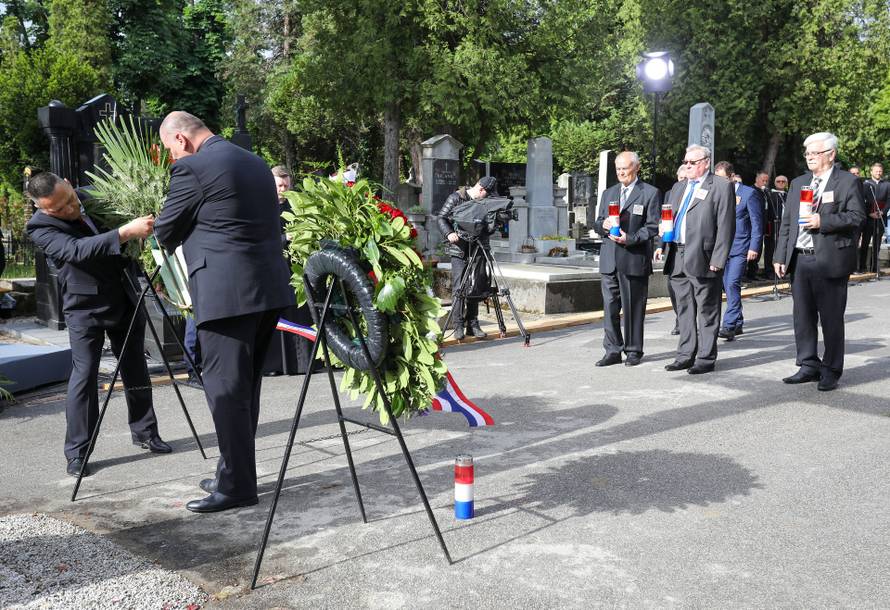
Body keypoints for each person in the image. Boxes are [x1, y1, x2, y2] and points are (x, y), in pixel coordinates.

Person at [154, 111, 295, 513]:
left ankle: (236, 487)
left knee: (226, 392)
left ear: (180, 139)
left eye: (169, 150)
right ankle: (231, 473)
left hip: (226, 295)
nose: (172, 158)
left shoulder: (193, 168)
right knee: (245, 388)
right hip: (267, 289)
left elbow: (166, 231)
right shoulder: (253, 161)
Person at [26, 172, 172, 477]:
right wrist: (126, 232)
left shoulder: (95, 196)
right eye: (60, 209)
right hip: (84, 308)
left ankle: (146, 432)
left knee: (136, 367)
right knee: (84, 376)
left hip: (124, 296)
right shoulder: (39, 227)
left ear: (68, 182)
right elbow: (76, 251)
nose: (70, 208)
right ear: (44, 209)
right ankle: (78, 451)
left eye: (70, 198)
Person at [774, 132, 865, 391]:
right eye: (807, 154)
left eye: (815, 153)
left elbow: (857, 217)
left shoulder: (847, 181)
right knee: (802, 316)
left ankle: (831, 369)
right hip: (800, 259)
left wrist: (823, 222)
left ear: (831, 154)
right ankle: (808, 365)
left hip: (830, 259)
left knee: (831, 318)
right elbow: (788, 221)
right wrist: (780, 255)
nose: (810, 158)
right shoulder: (799, 182)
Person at [660, 145, 735, 375]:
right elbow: (669, 218)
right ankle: (685, 354)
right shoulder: (678, 187)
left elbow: (726, 225)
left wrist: (719, 258)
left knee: (707, 309)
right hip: (678, 253)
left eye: (692, 162)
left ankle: (705, 357)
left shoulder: (721, 186)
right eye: (685, 162)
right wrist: (663, 245)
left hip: (704, 255)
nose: (687, 166)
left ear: (705, 162)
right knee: (683, 308)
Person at [592, 151, 661, 366]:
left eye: (625, 168)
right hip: (609, 259)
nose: (621, 172)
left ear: (636, 167)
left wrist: (630, 238)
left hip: (633, 258)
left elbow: (652, 227)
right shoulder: (609, 193)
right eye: (618, 168)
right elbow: (597, 222)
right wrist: (601, 226)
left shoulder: (649, 193)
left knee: (633, 308)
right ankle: (612, 350)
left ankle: (633, 350)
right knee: (610, 307)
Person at [437, 176, 498, 341]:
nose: (487, 197)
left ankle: (473, 324)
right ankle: (458, 325)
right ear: (480, 189)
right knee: (460, 287)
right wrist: (449, 233)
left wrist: (494, 222)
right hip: (459, 249)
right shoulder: (457, 197)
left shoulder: (485, 202)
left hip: (478, 247)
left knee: (476, 284)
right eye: (486, 193)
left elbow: (489, 227)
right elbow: (441, 217)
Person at [714, 162, 763, 340]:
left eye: (722, 178)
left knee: (733, 283)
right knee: (727, 286)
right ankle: (738, 322)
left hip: (740, 247)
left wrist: (754, 247)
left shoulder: (748, 193)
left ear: (732, 177)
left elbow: (757, 223)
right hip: (721, 248)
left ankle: (728, 325)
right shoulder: (716, 194)